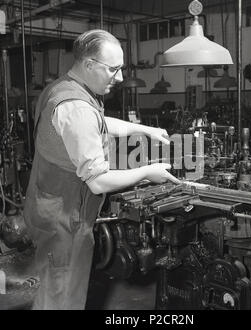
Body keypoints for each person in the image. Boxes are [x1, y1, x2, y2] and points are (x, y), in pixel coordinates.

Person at [24, 29, 180, 310]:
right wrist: (148, 172)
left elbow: (98, 121)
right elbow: (97, 181)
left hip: (47, 207)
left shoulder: (62, 88)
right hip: (65, 222)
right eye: (113, 69)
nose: (119, 78)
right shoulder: (76, 106)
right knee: (63, 299)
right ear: (88, 65)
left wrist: (146, 129)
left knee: (49, 292)